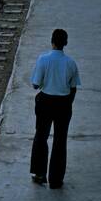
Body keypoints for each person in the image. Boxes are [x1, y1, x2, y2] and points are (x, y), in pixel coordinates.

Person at [30, 28, 81, 188]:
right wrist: (67, 103)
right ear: (65, 43)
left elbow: (35, 84)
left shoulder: (43, 59)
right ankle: (56, 179)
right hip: (63, 104)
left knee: (41, 136)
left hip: (45, 101)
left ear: (52, 41)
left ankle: (39, 174)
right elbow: (73, 87)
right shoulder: (71, 63)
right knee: (60, 140)